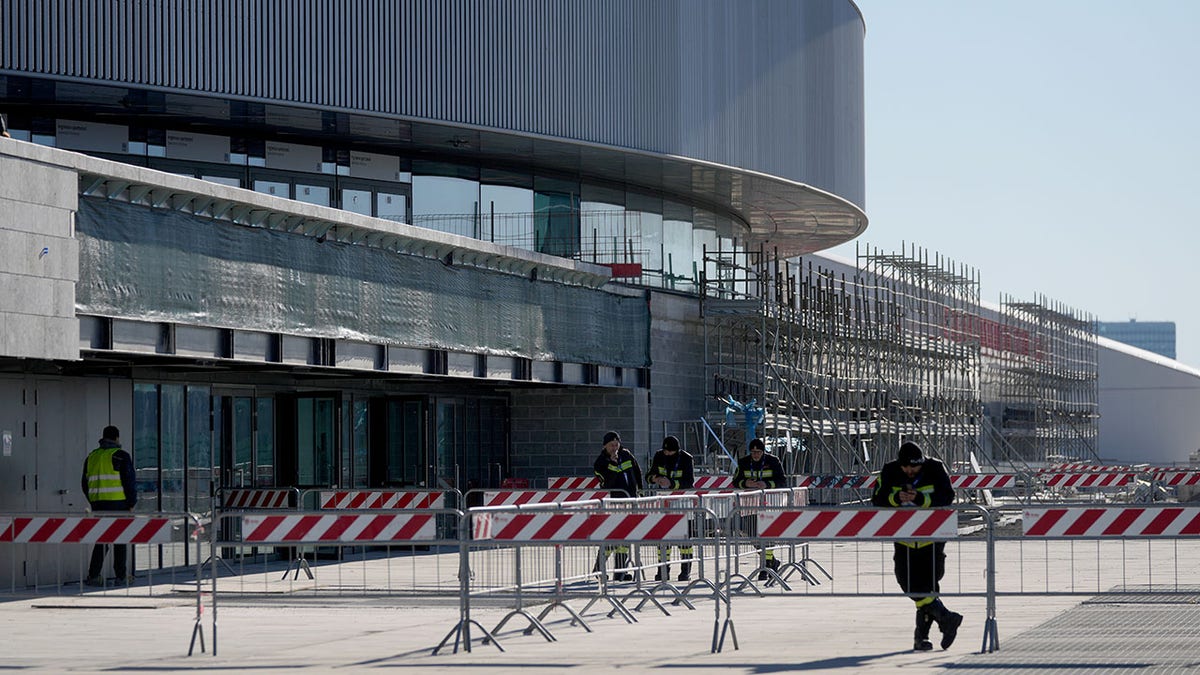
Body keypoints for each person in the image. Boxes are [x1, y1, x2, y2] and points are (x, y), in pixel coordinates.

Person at [871, 441, 963, 651]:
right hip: (903, 538)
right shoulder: (889, 470)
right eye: (906, 467)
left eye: (914, 467)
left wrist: (921, 498)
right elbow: (876, 497)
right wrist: (895, 498)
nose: (910, 471)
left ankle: (921, 638)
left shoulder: (935, 468)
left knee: (929, 587)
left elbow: (947, 496)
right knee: (908, 584)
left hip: (932, 538)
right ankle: (946, 618)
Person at [81, 425, 138, 586]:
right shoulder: (120, 456)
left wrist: (94, 500)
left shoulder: (91, 457)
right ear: (117, 438)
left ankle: (93, 575)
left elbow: (84, 484)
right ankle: (121, 576)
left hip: (98, 504)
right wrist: (131, 503)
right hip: (118, 503)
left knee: (102, 540)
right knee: (120, 540)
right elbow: (129, 482)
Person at [733, 437, 787, 580]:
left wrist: (767, 485)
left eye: (758, 452)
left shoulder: (773, 461)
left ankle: (766, 566)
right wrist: (745, 484)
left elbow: (782, 481)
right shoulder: (744, 462)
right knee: (752, 534)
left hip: (769, 504)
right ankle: (772, 562)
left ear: (763, 451)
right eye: (753, 452)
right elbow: (735, 481)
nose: (755, 454)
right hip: (750, 505)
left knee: (767, 536)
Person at [593, 430, 642, 581]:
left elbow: (637, 471)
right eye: (611, 445)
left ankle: (620, 571)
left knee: (625, 539)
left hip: (630, 501)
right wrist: (613, 464)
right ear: (605, 447)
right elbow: (607, 483)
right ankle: (599, 568)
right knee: (612, 537)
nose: (615, 448)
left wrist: (640, 491)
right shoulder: (600, 462)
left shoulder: (626, 454)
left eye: (616, 444)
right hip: (614, 503)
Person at [645, 435, 695, 581]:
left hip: (681, 501)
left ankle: (685, 570)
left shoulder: (686, 458)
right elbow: (649, 475)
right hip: (663, 502)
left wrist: (672, 483)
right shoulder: (659, 456)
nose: (667, 454)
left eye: (670, 452)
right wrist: (655, 479)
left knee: (684, 539)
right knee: (663, 538)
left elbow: (689, 481)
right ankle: (663, 570)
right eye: (665, 451)